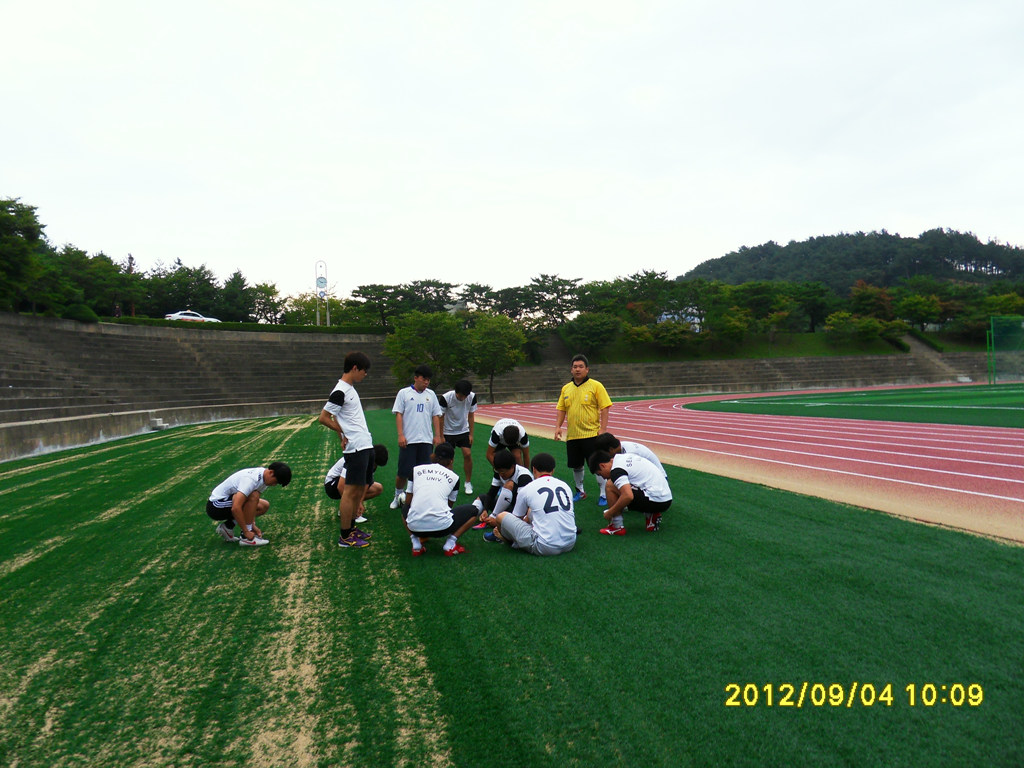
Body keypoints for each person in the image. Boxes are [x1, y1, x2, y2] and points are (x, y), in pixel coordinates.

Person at [318, 351, 376, 549]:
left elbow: (337, 417)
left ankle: (351, 529)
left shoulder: (349, 389)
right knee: (350, 492)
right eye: (364, 370)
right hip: (356, 447)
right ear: (354, 368)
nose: (365, 374)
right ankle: (345, 536)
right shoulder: (340, 391)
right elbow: (324, 417)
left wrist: (342, 435)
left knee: (358, 489)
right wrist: (344, 434)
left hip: (364, 444)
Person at [481, 453, 576, 556]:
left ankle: (507, 540)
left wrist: (499, 525)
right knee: (531, 511)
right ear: (553, 470)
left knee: (501, 517)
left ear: (533, 469)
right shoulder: (565, 486)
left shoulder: (528, 487)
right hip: (570, 542)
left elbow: (517, 518)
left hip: (545, 546)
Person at [402, 443, 480, 557]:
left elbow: (408, 501)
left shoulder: (415, 470)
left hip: (414, 528)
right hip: (443, 529)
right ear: (451, 461)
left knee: (404, 506)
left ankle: (416, 544)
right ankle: (450, 543)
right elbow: (449, 507)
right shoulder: (455, 478)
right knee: (474, 510)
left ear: (433, 456)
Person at [554, 354, 612, 504]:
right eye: (575, 367)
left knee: (597, 464)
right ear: (571, 370)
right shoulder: (566, 389)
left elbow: (605, 407)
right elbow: (561, 409)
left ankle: (603, 494)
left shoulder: (596, 386)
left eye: (581, 367)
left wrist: (603, 429)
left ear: (587, 369)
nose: (577, 369)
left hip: (591, 434)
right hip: (573, 435)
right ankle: (580, 491)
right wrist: (558, 427)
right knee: (576, 465)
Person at [390, 364, 444, 509]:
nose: (426, 382)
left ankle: (419, 500)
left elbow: (435, 415)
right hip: (409, 440)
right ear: (416, 378)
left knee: (424, 472)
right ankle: (397, 495)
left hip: (426, 440)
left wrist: (437, 436)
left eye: (428, 380)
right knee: (403, 472)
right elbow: (399, 414)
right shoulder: (404, 393)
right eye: (423, 379)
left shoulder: (431, 395)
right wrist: (400, 435)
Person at [588, 450, 672, 535]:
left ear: (602, 465)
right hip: (666, 498)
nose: (603, 477)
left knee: (610, 484)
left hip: (657, 500)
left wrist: (610, 512)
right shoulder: (621, 458)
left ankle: (617, 526)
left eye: (600, 474)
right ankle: (651, 514)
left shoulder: (616, 470)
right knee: (625, 485)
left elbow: (628, 496)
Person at [207, 462, 291, 547]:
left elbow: (251, 505)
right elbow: (236, 508)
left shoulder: (264, 478)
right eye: (276, 481)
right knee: (253, 496)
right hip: (215, 506)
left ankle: (228, 526)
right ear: (271, 472)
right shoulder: (251, 480)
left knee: (263, 506)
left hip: (226, 502)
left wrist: (252, 525)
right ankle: (246, 538)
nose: (274, 485)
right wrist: (247, 531)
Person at [471, 448, 534, 536]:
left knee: (509, 484)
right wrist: (485, 510)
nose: (501, 475)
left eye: (503, 472)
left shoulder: (524, 477)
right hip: (508, 504)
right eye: (498, 471)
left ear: (512, 466)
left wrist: (499, 519)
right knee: (482, 498)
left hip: (521, 512)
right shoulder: (499, 471)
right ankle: (471, 516)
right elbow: (492, 493)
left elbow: (521, 506)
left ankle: (496, 519)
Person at [324, 444, 389, 529]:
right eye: (374, 463)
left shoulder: (371, 464)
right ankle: (349, 511)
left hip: (347, 483)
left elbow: (366, 484)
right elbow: (340, 486)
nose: (374, 466)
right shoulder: (356, 459)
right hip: (332, 485)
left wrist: (359, 502)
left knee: (378, 488)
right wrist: (352, 505)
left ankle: (346, 509)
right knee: (355, 485)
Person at [439, 378, 478, 495]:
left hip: (463, 430)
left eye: (465, 396)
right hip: (448, 431)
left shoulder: (472, 397)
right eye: (461, 396)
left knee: (467, 454)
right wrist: (441, 436)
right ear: (456, 392)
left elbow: (471, 415)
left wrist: (471, 434)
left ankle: (468, 482)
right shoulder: (446, 398)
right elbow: (440, 417)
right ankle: (449, 483)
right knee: (449, 458)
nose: (463, 398)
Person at [594, 432, 668, 478]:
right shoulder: (621, 447)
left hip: (658, 479)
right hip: (650, 476)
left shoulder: (631, 454)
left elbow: (635, 475)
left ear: (610, 449)